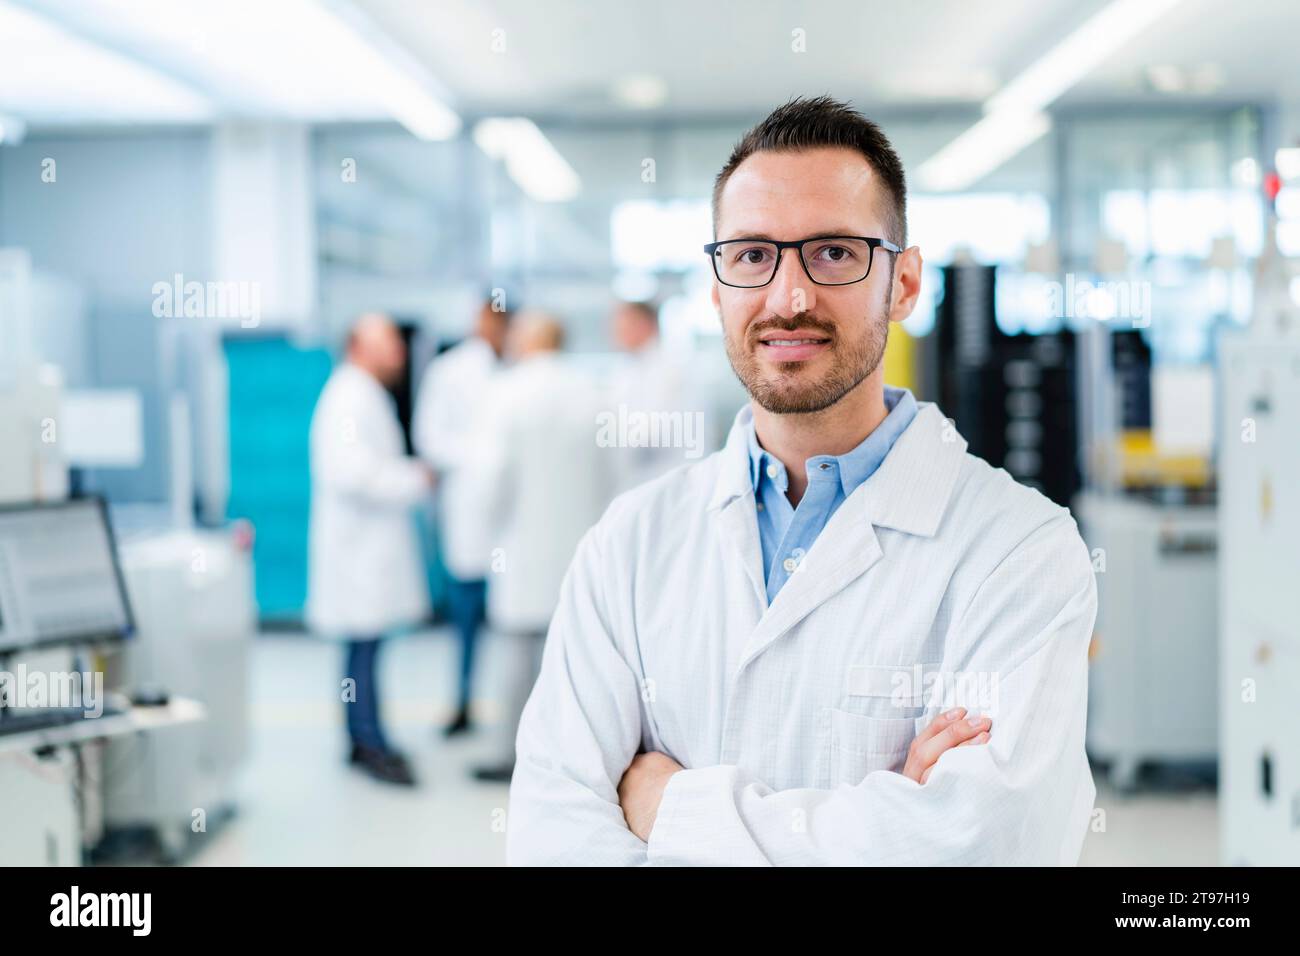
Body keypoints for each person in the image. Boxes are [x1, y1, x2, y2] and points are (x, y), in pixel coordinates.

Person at [507, 96, 1097, 865]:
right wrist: (884, 819)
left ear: (905, 284)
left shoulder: (1021, 551)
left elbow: (988, 844)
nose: (790, 297)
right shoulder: (629, 544)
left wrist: (670, 807)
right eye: (753, 255)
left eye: (834, 253)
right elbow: (552, 835)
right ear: (717, 290)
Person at [468, 313, 613, 783]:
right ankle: (570, 760)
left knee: (515, 655)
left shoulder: (507, 393)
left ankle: (508, 754)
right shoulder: (592, 394)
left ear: (527, 342)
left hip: (520, 547)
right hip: (579, 543)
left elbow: (491, 478)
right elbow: (612, 474)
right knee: (576, 660)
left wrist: (483, 531)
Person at [307, 313, 433, 786]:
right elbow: (352, 473)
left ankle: (366, 738)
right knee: (362, 650)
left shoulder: (362, 393)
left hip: (366, 550)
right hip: (359, 552)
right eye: (389, 345)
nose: (398, 354)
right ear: (359, 345)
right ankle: (369, 743)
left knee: (366, 649)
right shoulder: (348, 397)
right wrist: (414, 478)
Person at [412, 295, 511, 736]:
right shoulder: (449, 370)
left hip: (513, 516)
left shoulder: (519, 369)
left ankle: (518, 715)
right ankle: (463, 702)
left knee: (518, 624)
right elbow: (430, 438)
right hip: (469, 512)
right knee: (467, 618)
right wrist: (479, 458)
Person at [606, 300, 705, 493]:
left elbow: (651, 429)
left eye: (622, 326)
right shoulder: (630, 368)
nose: (615, 334)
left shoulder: (669, 367)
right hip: (644, 478)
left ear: (645, 324)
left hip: (674, 476)